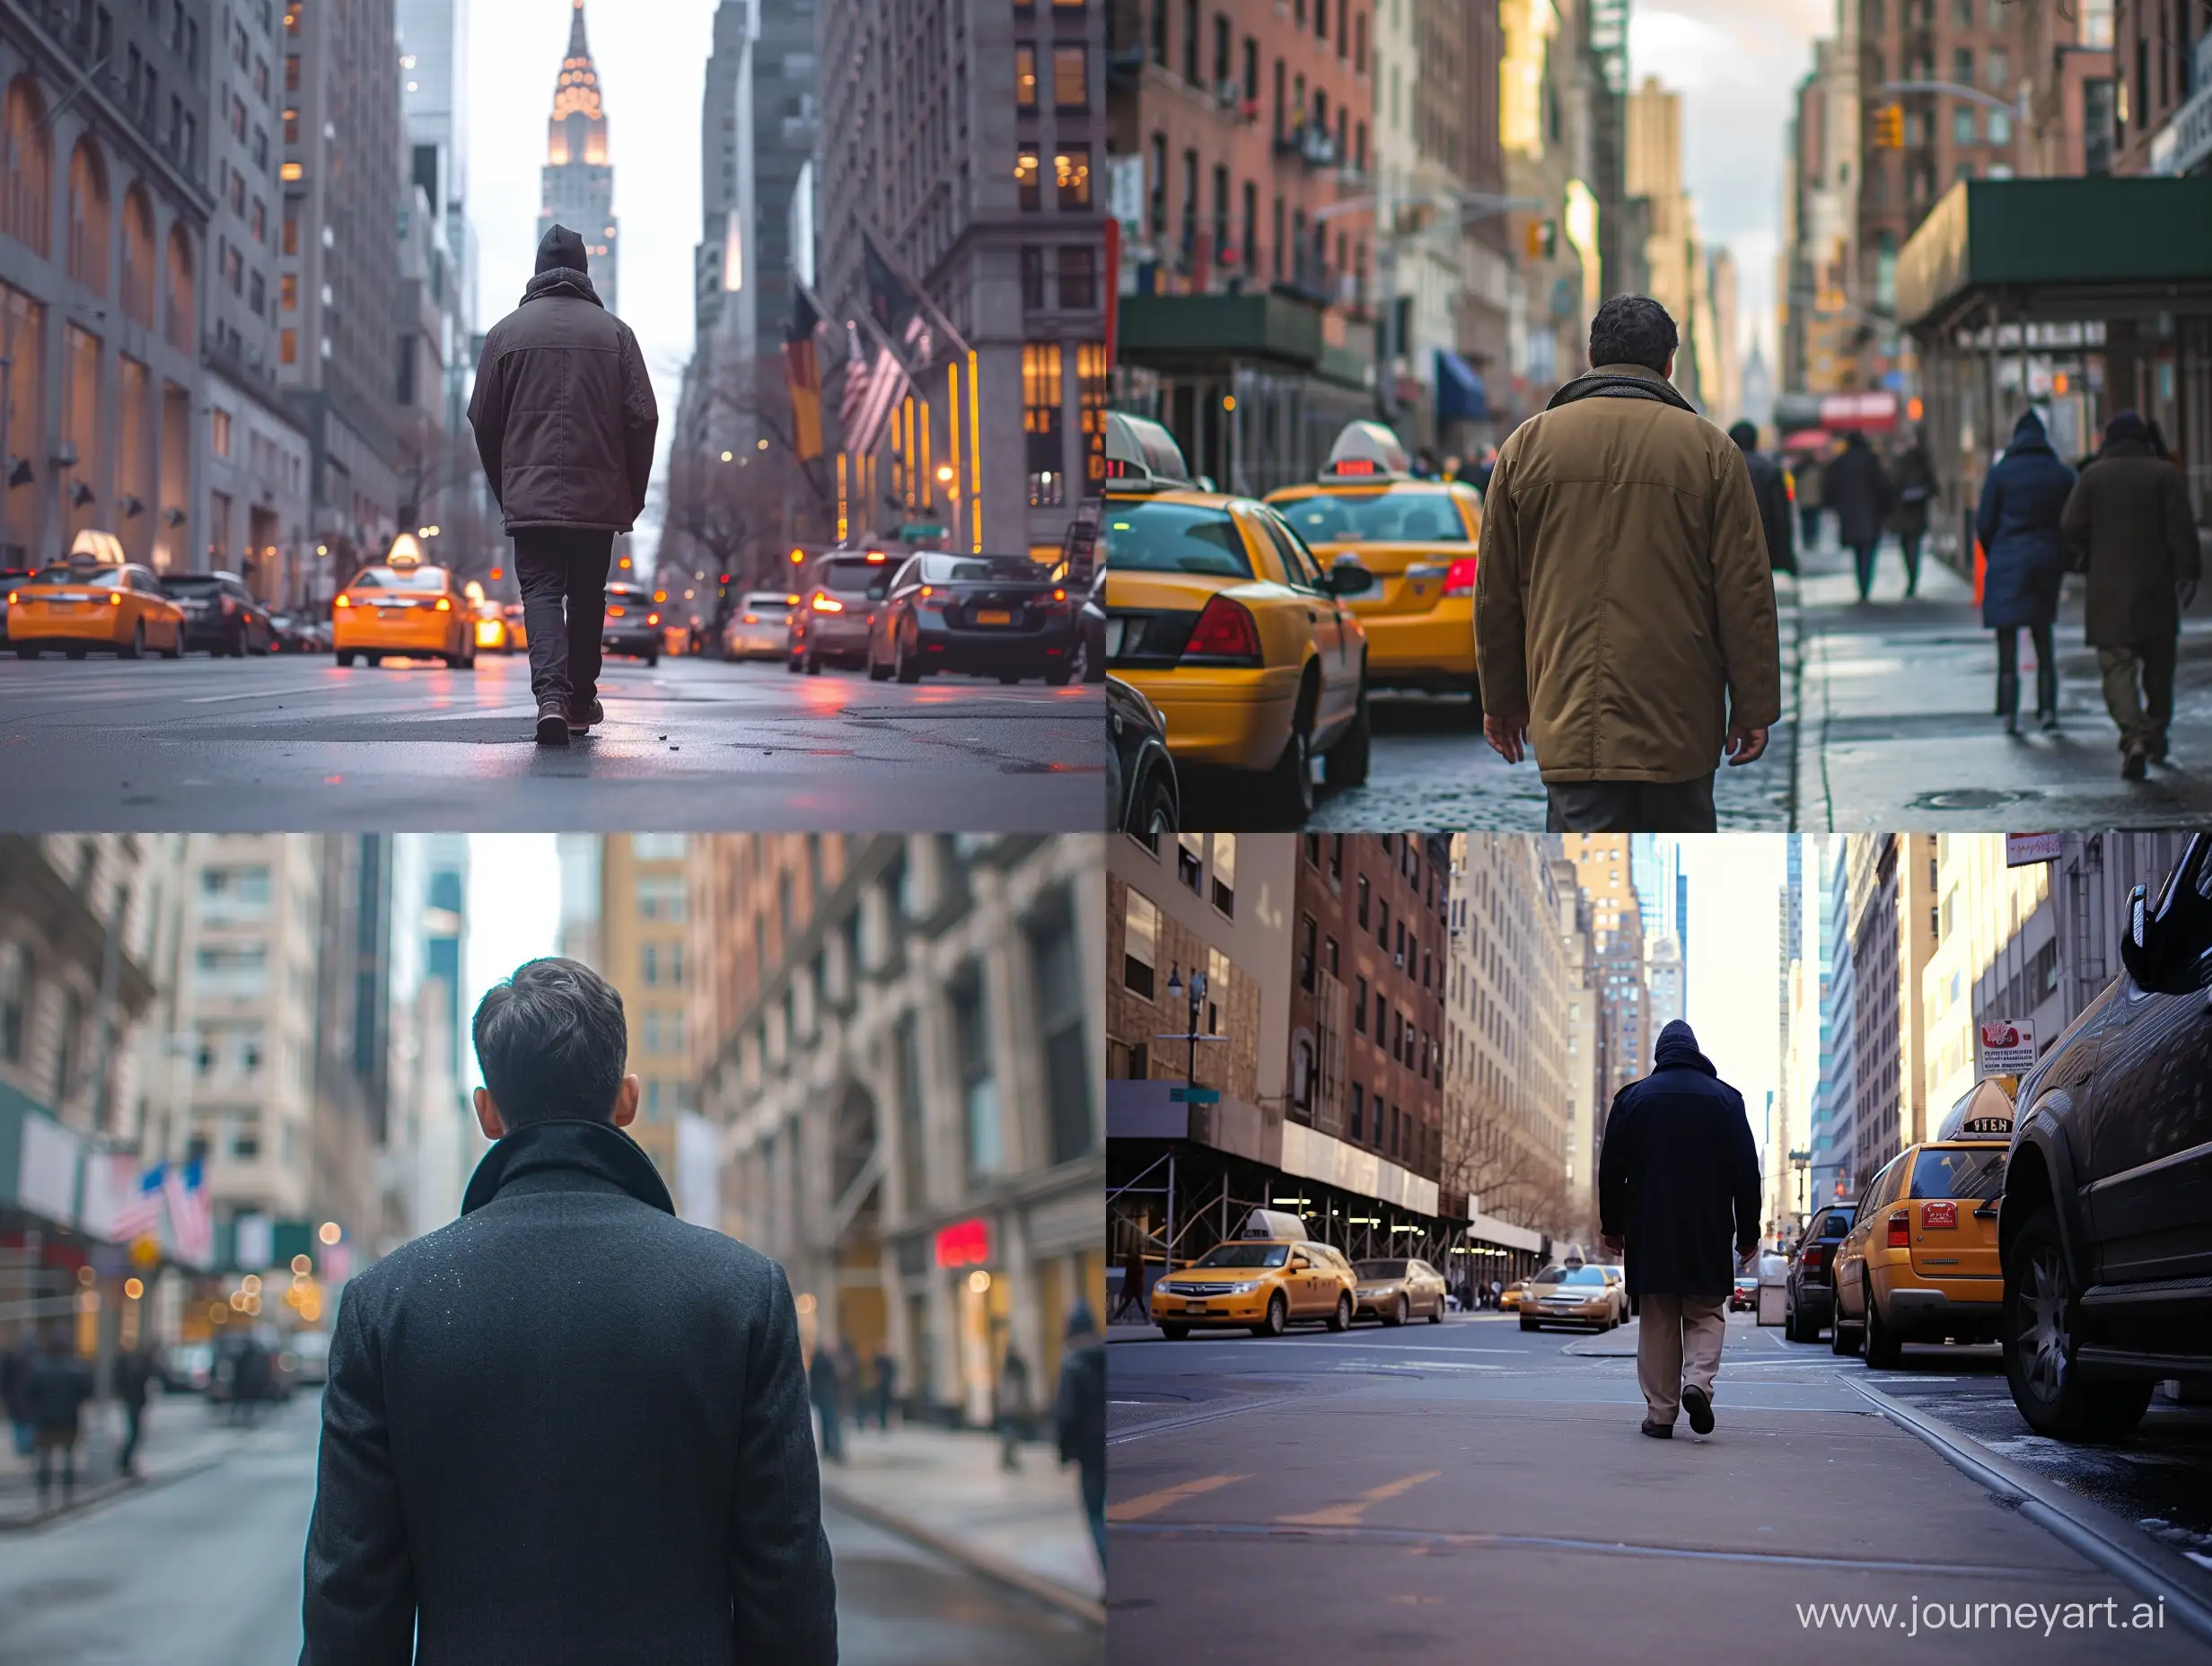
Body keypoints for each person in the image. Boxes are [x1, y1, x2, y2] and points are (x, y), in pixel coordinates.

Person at [300, 957, 836, 1664]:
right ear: (627, 1100)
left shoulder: (386, 1306)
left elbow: (350, 1617)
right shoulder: (743, 1295)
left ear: (487, 1112)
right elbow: (788, 1596)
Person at [1474, 294, 1779, 833]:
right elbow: (1745, 592)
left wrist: (1501, 699)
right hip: (1680, 725)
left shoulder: (1525, 447)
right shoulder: (1713, 453)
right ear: (1668, 364)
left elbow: (1495, 593)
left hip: (1570, 719)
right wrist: (1753, 705)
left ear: (1591, 355)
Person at [468, 224, 659, 749]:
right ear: (584, 271)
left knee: (543, 592)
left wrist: (507, 489)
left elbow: (482, 421)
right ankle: (579, 701)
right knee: (587, 596)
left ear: (537, 271)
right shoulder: (617, 334)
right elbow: (644, 418)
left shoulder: (504, 335)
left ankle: (550, 698)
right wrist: (631, 494)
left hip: (529, 497)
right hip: (599, 499)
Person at [1598, 1020, 1761, 1440]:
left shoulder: (1632, 1099)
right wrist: (1748, 1232)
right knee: (1706, 1311)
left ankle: (1661, 1413)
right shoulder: (1727, 1100)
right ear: (1695, 1051)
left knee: (1658, 1319)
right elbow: (1747, 1172)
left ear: (1660, 1055)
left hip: (1649, 1227)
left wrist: (1612, 1226)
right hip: (1708, 1226)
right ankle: (1698, 1385)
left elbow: (1611, 1169)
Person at [2060, 410, 2201, 777]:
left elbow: (2070, 526)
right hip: (2156, 590)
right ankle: (2156, 732)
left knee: (2117, 669)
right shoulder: (2164, 475)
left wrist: (2087, 557)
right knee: (2159, 671)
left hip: (2109, 592)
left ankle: (2134, 735)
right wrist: (2188, 574)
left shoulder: (2093, 477)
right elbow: (2183, 530)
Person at [1976, 408, 2077, 735]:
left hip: (2007, 558)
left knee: (2007, 638)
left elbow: (1984, 522)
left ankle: (2009, 711)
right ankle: (2048, 709)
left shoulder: (2001, 473)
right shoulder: (2059, 473)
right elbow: (2073, 519)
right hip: (2045, 560)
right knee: (2042, 636)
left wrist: (1998, 552)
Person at [1054, 1302, 1106, 1575]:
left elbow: (1066, 1414)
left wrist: (1064, 1452)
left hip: (1091, 1454)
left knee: (1097, 1515)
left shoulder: (1073, 1364)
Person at [1822, 431, 1895, 601]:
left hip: (1849, 514)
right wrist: (1886, 508)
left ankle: (1862, 583)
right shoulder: (1871, 460)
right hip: (1871, 513)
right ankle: (1865, 583)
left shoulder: (1841, 462)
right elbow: (1883, 485)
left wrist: (1835, 506)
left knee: (1857, 551)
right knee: (1868, 550)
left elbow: (1829, 486)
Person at [25, 1330, 92, 1497]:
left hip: (45, 1419)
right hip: (68, 1419)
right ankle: (67, 1486)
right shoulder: (74, 1369)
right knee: (68, 1454)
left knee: (45, 1455)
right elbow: (85, 1392)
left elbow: (30, 1393)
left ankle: (44, 1486)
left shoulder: (40, 1369)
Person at [1727, 421, 1795, 574]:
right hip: (1765, 541)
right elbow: (1780, 516)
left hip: (1731, 545)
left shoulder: (1721, 469)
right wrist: (1787, 558)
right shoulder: (1770, 469)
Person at [1888, 431, 1938, 597]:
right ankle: (1912, 579)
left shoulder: (1900, 465)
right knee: (1913, 547)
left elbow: (1893, 487)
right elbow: (1934, 489)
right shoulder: (1923, 466)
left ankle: (1911, 578)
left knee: (1907, 547)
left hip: (1904, 514)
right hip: (1917, 513)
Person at [115, 1344, 154, 1476]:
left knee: (135, 1432)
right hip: (134, 1401)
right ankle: (124, 1462)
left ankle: (126, 1462)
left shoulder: (131, 1366)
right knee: (135, 1433)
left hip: (133, 1401)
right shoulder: (136, 1367)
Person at [810, 1332, 846, 1466]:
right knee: (832, 1424)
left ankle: (829, 1450)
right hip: (826, 1397)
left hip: (827, 1396)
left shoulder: (820, 1360)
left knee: (827, 1425)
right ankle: (835, 1452)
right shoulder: (824, 1360)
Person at [997, 1346, 1031, 1473]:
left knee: (1009, 1435)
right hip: (1012, 1410)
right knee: (1011, 1435)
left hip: (1008, 1409)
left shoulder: (1008, 1372)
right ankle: (1008, 1459)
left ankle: (1008, 1459)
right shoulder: (1015, 1374)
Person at [1111, 1243, 1148, 1325]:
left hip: (1134, 1286)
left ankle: (1117, 1316)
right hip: (1135, 1286)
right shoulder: (1136, 1262)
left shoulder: (1134, 1263)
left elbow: (1132, 1275)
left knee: (1130, 1302)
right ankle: (1146, 1317)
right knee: (1135, 1302)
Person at [872, 1346, 897, 1433]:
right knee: (882, 1406)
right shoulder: (879, 1360)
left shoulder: (887, 1361)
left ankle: (885, 1423)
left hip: (886, 1386)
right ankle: (882, 1423)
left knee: (886, 1406)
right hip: (882, 1387)